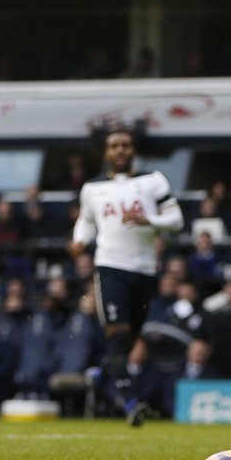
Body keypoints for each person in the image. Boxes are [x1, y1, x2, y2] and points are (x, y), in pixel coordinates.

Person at [69, 126, 185, 425]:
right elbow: (86, 221)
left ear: (133, 150)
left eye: (125, 145)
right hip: (110, 267)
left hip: (144, 270)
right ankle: (130, 402)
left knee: (128, 341)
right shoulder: (92, 188)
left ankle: (101, 374)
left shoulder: (152, 181)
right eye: (114, 146)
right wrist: (79, 240)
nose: (119, 150)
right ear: (106, 152)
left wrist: (150, 220)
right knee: (117, 334)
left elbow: (176, 220)